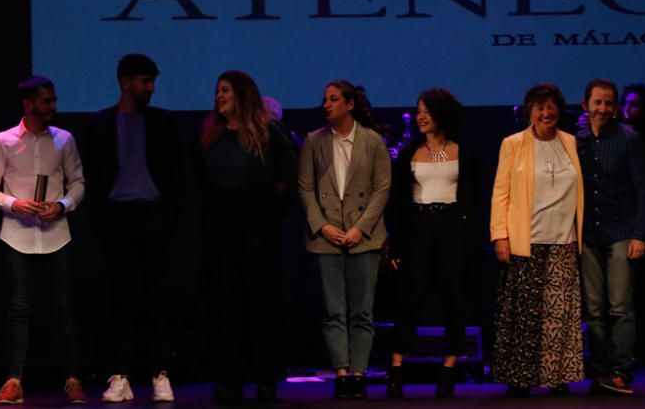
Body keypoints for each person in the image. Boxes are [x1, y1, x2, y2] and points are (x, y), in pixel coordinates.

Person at [0, 76, 88, 405]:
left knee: (63, 306)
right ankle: (14, 380)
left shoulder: (64, 140)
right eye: (46, 101)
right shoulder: (4, 141)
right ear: (28, 104)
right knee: (19, 307)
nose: (53, 107)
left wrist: (62, 205)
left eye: (54, 100)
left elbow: (78, 183)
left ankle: (72, 379)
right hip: (17, 234)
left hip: (56, 234)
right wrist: (14, 204)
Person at [82, 54, 183, 403]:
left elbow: (175, 174)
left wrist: (168, 217)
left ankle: (160, 374)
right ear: (126, 82)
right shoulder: (99, 124)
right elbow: (91, 178)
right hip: (116, 220)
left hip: (154, 217)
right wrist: (101, 219)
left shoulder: (163, 123)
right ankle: (120, 375)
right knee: (119, 300)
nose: (151, 88)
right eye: (145, 81)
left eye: (152, 82)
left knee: (157, 298)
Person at [198, 70, 298, 403]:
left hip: (259, 229)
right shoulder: (212, 135)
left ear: (242, 94)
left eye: (225, 90)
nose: (219, 96)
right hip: (222, 230)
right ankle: (230, 379)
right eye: (217, 91)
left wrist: (266, 202)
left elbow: (289, 173)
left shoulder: (269, 132)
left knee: (262, 307)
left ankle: (266, 379)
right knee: (227, 307)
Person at [489, 83, 584, 395]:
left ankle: (557, 377)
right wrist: (500, 236)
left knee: (561, 314)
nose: (546, 113)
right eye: (540, 107)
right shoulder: (513, 144)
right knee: (524, 315)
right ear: (529, 111)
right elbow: (500, 192)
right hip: (526, 238)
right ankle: (520, 379)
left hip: (564, 240)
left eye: (551, 106)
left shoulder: (571, 142)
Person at [298, 80, 390, 400]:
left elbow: (382, 189)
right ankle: (341, 372)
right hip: (327, 237)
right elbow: (306, 188)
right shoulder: (314, 141)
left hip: (362, 237)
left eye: (334, 99)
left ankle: (360, 372)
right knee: (333, 310)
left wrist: (360, 227)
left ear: (350, 104)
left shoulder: (372, 141)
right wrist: (321, 226)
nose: (327, 105)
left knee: (362, 312)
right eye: (325, 99)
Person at [385, 89, 477, 398]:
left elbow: (475, 202)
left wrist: (471, 242)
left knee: (454, 302)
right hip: (417, 232)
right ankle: (396, 370)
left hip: (452, 230)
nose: (421, 116)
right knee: (408, 301)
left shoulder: (463, 151)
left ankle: (449, 369)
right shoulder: (411, 152)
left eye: (427, 110)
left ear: (442, 113)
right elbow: (397, 202)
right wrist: (396, 245)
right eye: (418, 110)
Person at [578, 79, 645, 395]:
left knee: (620, 306)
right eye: (598, 102)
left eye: (609, 103)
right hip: (588, 232)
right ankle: (602, 371)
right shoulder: (577, 141)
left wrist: (639, 235)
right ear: (586, 106)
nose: (603, 108)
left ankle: (622, 371)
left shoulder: (628, 139)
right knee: (594, 310)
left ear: (615, 107)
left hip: (622, 230)